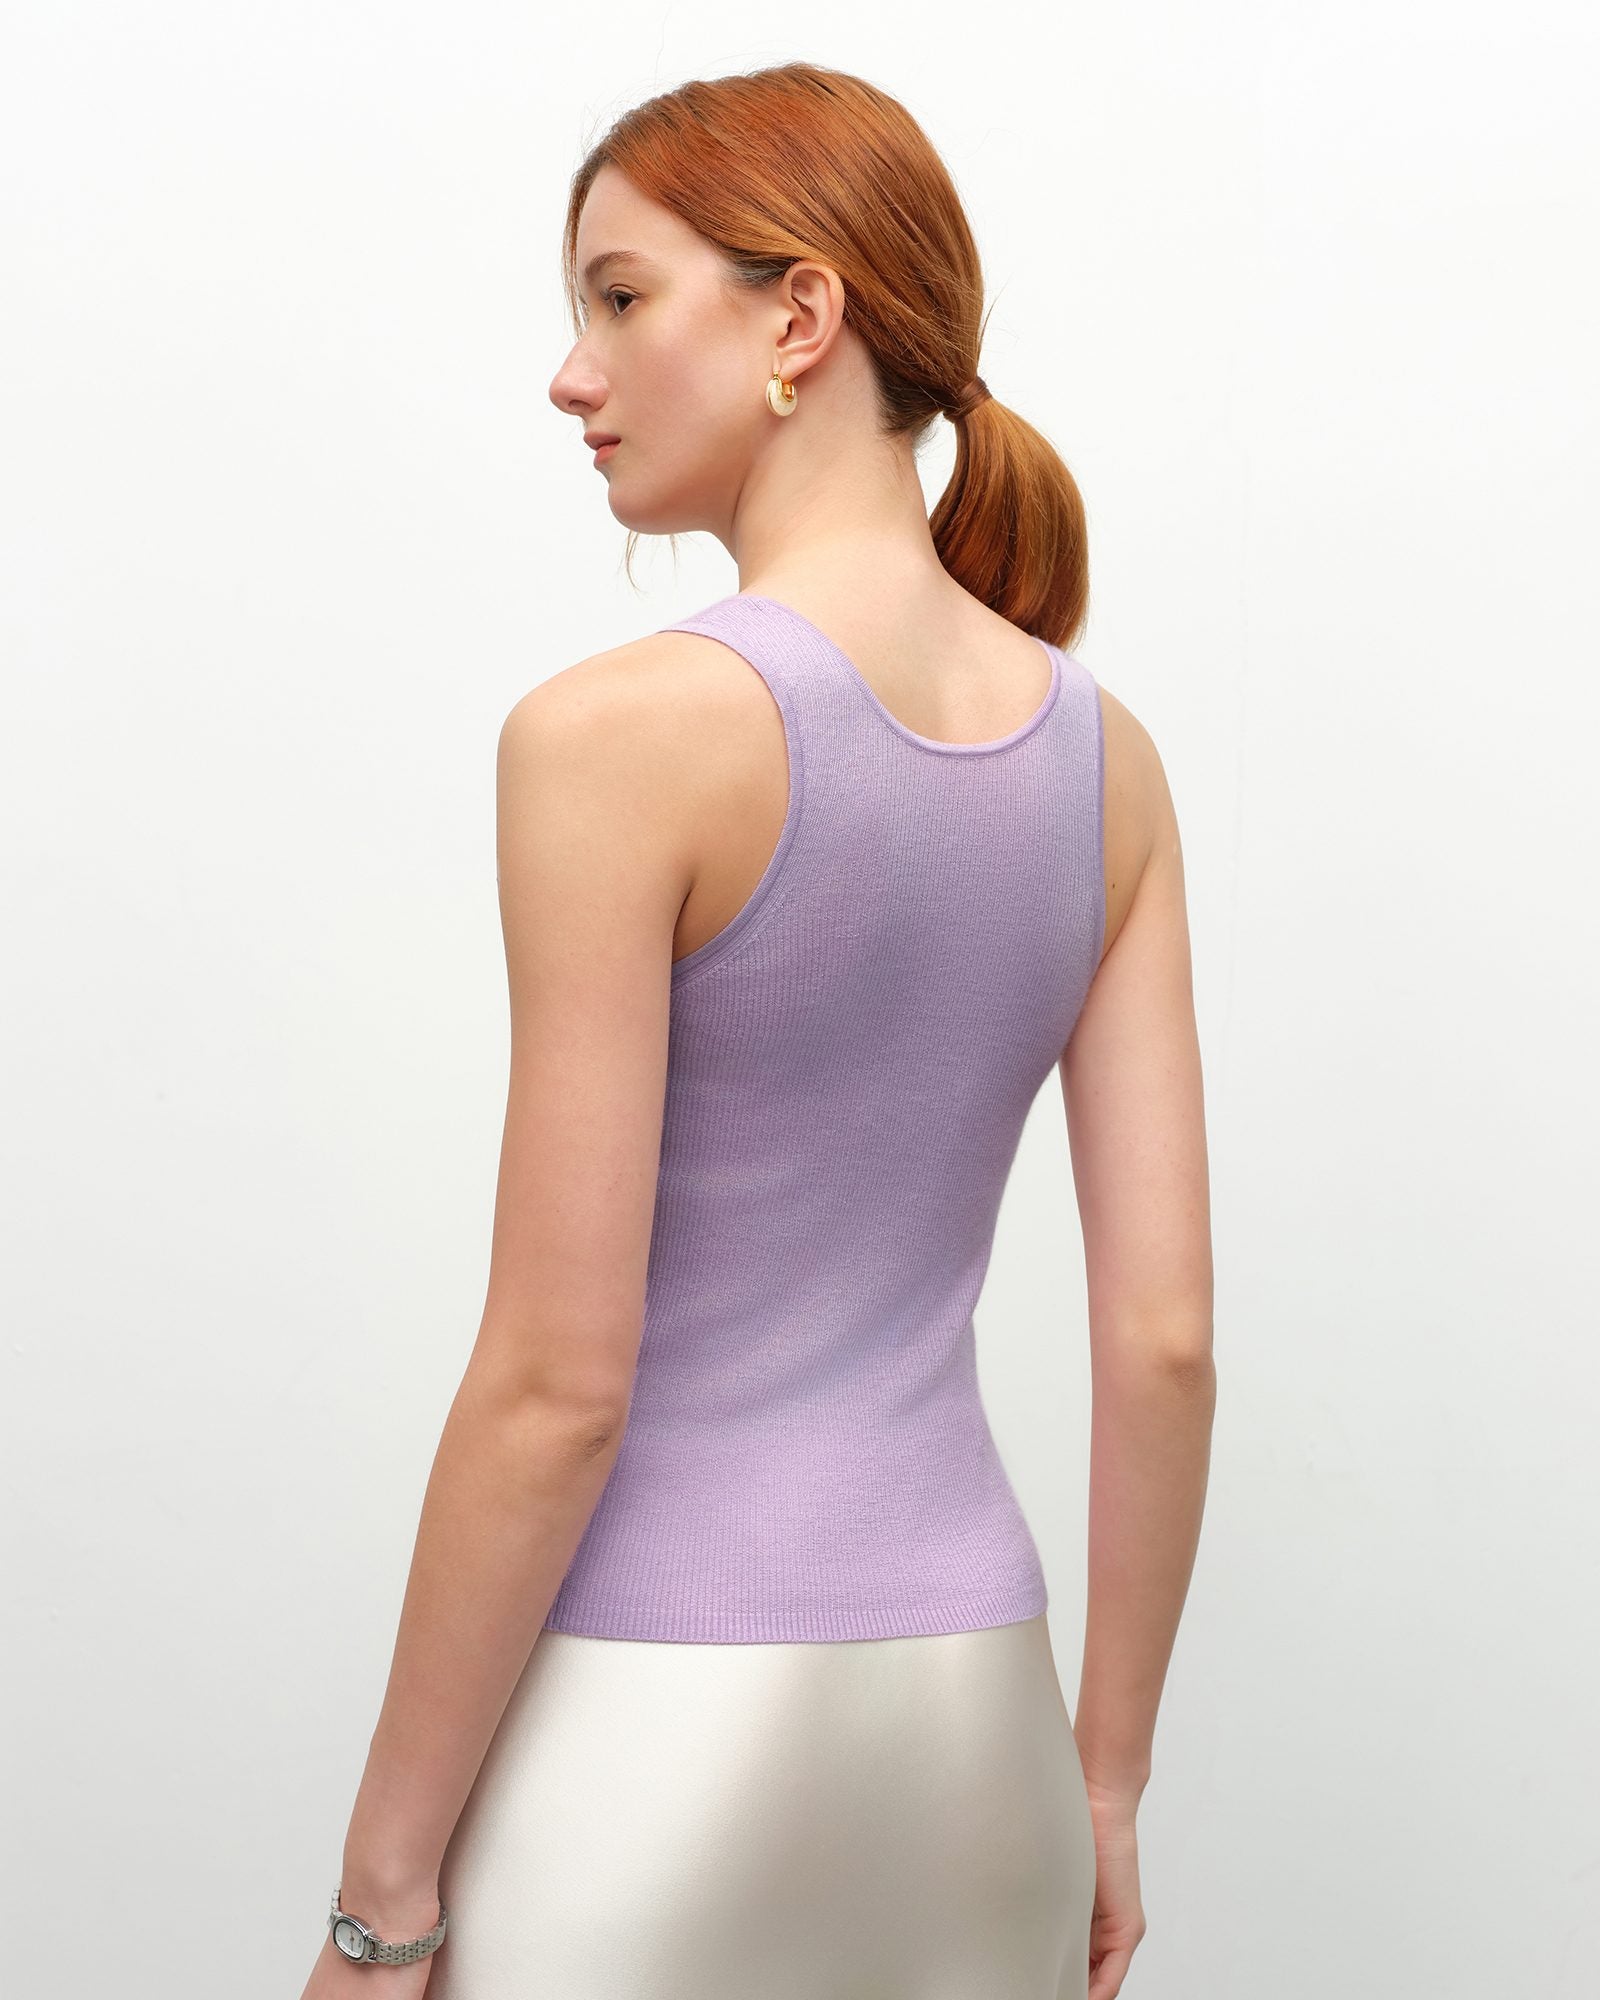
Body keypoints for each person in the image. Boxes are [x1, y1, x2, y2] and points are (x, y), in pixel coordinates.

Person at [302, 60, 1214, 2000]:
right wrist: (1105, 1784)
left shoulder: (612, 739)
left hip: (661, 1727)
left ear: (800, 317)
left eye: (620, 298)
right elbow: (1162, 1343)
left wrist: (382, 1900)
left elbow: (556, 1385)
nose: (572, 375)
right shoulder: (1109, 768)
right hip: (979, 1733)